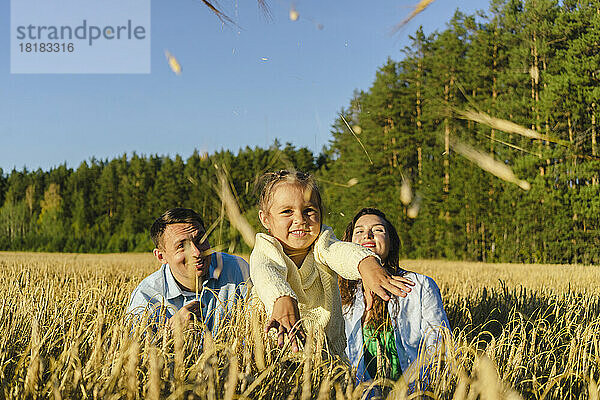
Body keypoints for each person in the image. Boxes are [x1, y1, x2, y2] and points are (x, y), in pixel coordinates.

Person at [249, 170, 414, 357]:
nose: (300, 219)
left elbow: (340, 252)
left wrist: (366, 262)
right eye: (287, 211)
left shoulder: (323, 242)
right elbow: (265, 271)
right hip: (276, 347)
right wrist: (281, 297)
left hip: (327, 353)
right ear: (265, 219)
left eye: (309, 211)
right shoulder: (265, 247)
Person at [339, 207, 450, 385]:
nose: (367, 235)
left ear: (391, 242)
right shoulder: (340, 294)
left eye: (378, 230)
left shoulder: (419, 286)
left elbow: (439, 346)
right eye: (359, 231)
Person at [127, 208, 250, 335]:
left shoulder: (236, 269)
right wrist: (169, 333)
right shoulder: (146, 296)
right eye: (182, 246)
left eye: (200, 240)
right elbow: (133, 350)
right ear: (161, 257)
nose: (197, 252)